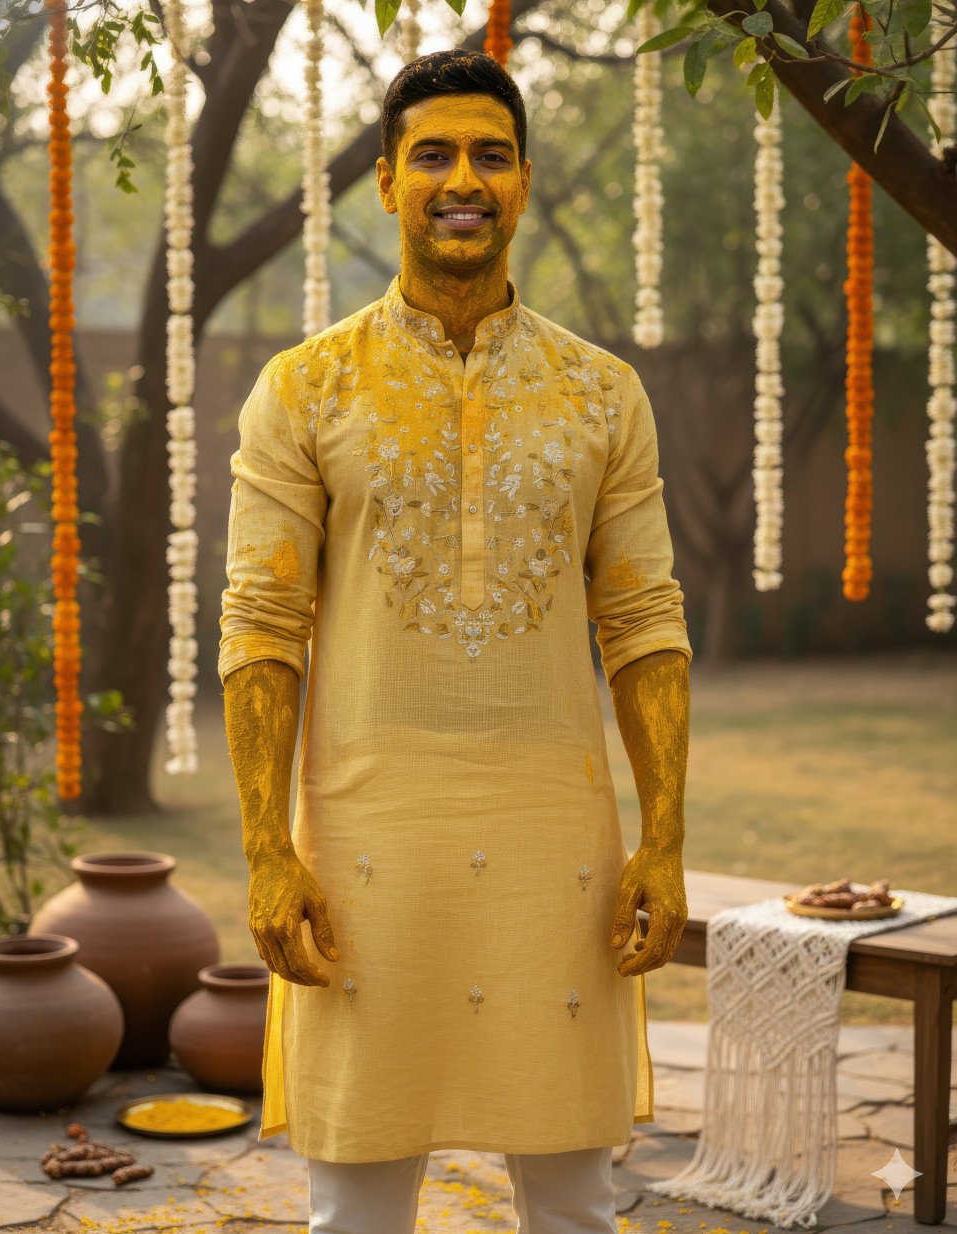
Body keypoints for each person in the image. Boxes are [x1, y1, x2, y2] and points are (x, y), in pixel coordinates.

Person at [220, 48, 692, 1234]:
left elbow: (643, 621)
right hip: (368, 843)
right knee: (357, 1203)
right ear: (386, 181)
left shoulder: (602, 393)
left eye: (491, 154)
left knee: (576, 1200)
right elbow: (262, 625)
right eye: (432, 154)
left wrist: (667, 837)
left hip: (556, 840)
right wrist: (268, 849)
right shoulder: (306, 388)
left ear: (524, 180)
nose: (463, 179)